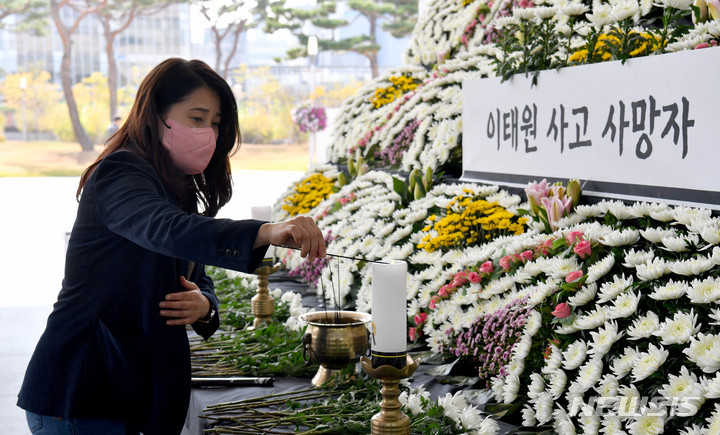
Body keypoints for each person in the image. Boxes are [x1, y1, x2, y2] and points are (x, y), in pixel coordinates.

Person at [17, 58, 326, 435]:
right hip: (83, 390)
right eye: (196, 118)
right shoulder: (120, 173)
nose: (209, 133)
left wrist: (204, 305)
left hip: (128, 392)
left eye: (215, 122)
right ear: (156, 114)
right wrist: (264, 231)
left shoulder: (171, 186)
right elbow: (168, 230)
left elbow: (195, 272)